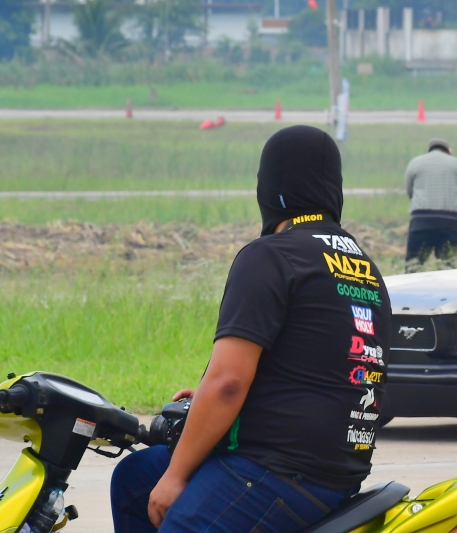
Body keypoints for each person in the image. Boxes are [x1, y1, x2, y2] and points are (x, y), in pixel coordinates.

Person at [110, 126, 391, 532]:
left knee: (173, 506)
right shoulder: (366, 268)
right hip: (339, 469)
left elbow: (227, 383)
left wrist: (175, 477)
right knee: (135, 479)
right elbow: (321, 365)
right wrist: (207, 397)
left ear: (272, 188)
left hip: (276, 470)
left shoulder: (270, 256)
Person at [404, 138, 457, 266]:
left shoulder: (415, 162)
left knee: (414, 264)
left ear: (429, 150)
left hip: (421, 221)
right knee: (447, 263)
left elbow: (410, 192)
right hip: (451, 221)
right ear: (448, 152)